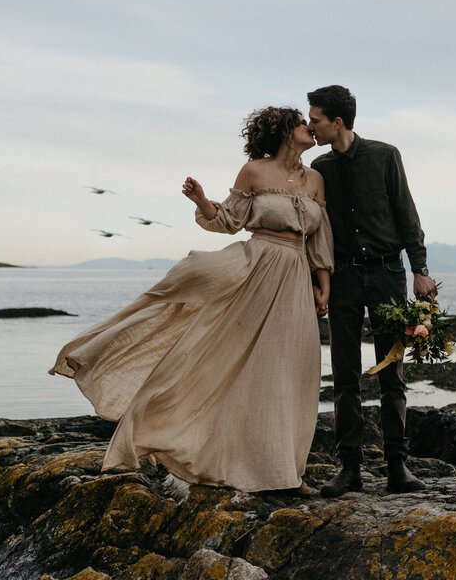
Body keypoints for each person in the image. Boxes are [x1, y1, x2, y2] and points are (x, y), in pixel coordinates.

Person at [49, 106, 333, 494]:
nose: (309, 127)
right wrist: (202, 201)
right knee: (236, 365)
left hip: (295, 279)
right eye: (302, 122)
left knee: (292, 373)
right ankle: (115, 372)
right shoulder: (254, 171)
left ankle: (287, 472)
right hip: (256, 273)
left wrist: (323, 283)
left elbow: (320, 238)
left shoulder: (315, 179)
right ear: (285, 130)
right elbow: (229, 221)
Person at [307, 85, 438, 496]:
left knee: (391, 372)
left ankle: (398, 467)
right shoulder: (319, 168)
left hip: (386, 275)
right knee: (345, 375)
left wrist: (420, 270)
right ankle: (350, 469)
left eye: (316, 120)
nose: (311, 127)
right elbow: (317, 229)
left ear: (337, 122)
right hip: (343, 276)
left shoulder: (385, 156)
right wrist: (317, 281)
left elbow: (406, 212)